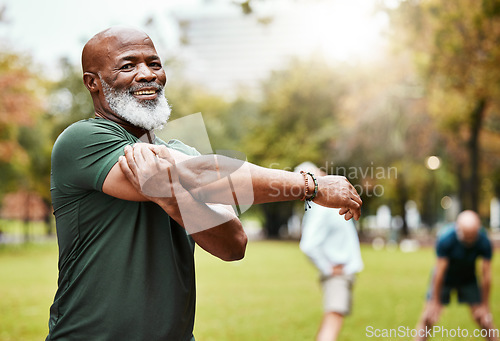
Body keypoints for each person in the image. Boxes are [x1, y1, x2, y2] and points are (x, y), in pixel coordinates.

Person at [46, 26, 362, 341]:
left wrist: (173, 201)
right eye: (128, 66)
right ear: (93, 83)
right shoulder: (82, 140)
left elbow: (233, 244)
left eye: (154, 63)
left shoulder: (184, 152)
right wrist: (310, 185)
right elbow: (202, 174)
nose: (147, 74)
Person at [297, 162, 363, 341]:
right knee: (333, 321)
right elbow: (308, 245)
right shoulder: (320, 208)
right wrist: (328, 268)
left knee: (332, 318)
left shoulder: (325, 205)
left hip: (342, 272)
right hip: (338, 274)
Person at [415, 210, 498, 341]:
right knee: (428, 317)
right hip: (445, 279)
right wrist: (435, 301)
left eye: (472, 236)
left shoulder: (484, 241)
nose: (470, 241)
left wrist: (484, 304)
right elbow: (439, 272)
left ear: (478, 229)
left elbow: (486, 275)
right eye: (466, 237)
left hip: (468, 279)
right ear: (458, 229)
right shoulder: (446, 239)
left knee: (484, 319)